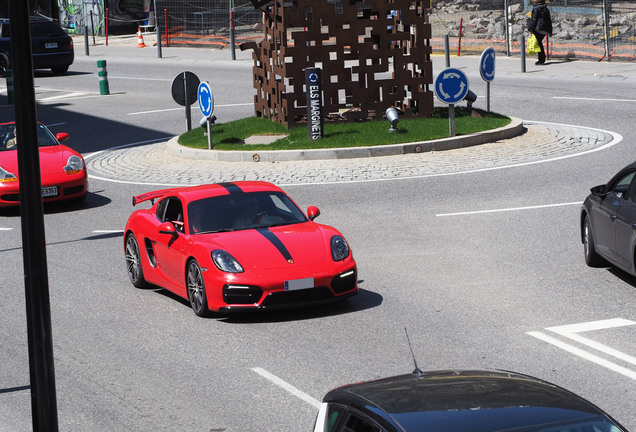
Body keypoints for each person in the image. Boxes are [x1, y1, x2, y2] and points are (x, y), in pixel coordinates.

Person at [528, 0, 553, 65]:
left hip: (538, 29)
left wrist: (531, 29)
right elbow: (549, 20)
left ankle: (541, 59)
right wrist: (550, 31)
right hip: (544, 30)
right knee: (539, 42)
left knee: (539, 43)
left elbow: (534, 20)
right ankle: (541, 58)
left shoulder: (535, 8)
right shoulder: (546, 9)